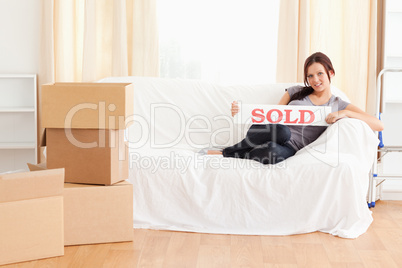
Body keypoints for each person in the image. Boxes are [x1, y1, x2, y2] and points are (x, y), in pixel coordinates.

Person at [208, 52, 384, 164]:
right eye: (310, 76)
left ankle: (244, 154)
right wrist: (243, 112)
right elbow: (271, 116)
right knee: (283, 131)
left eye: (320, 73)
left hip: (292, 147)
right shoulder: (296, 92)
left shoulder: (338, 104)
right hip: (271, 131)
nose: (315, 80)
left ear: (331, 73)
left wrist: (345, 113)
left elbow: (378, 124)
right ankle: (227, 151)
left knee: (272, 151)